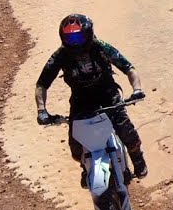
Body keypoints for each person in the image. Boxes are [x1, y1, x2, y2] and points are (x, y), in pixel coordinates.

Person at [35, 14, 148, 182]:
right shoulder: (60, 56)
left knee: (125, 129)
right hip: (81, 100)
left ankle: (138, 159)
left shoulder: (100, 47)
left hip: (108, 94)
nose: (75, 43)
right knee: (75, 145)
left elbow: (128, 67)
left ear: (88, 34)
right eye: (70, 38)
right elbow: (42, 84)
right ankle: (85, 166)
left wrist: (137, 89)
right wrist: (41, 110)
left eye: (78, 37)